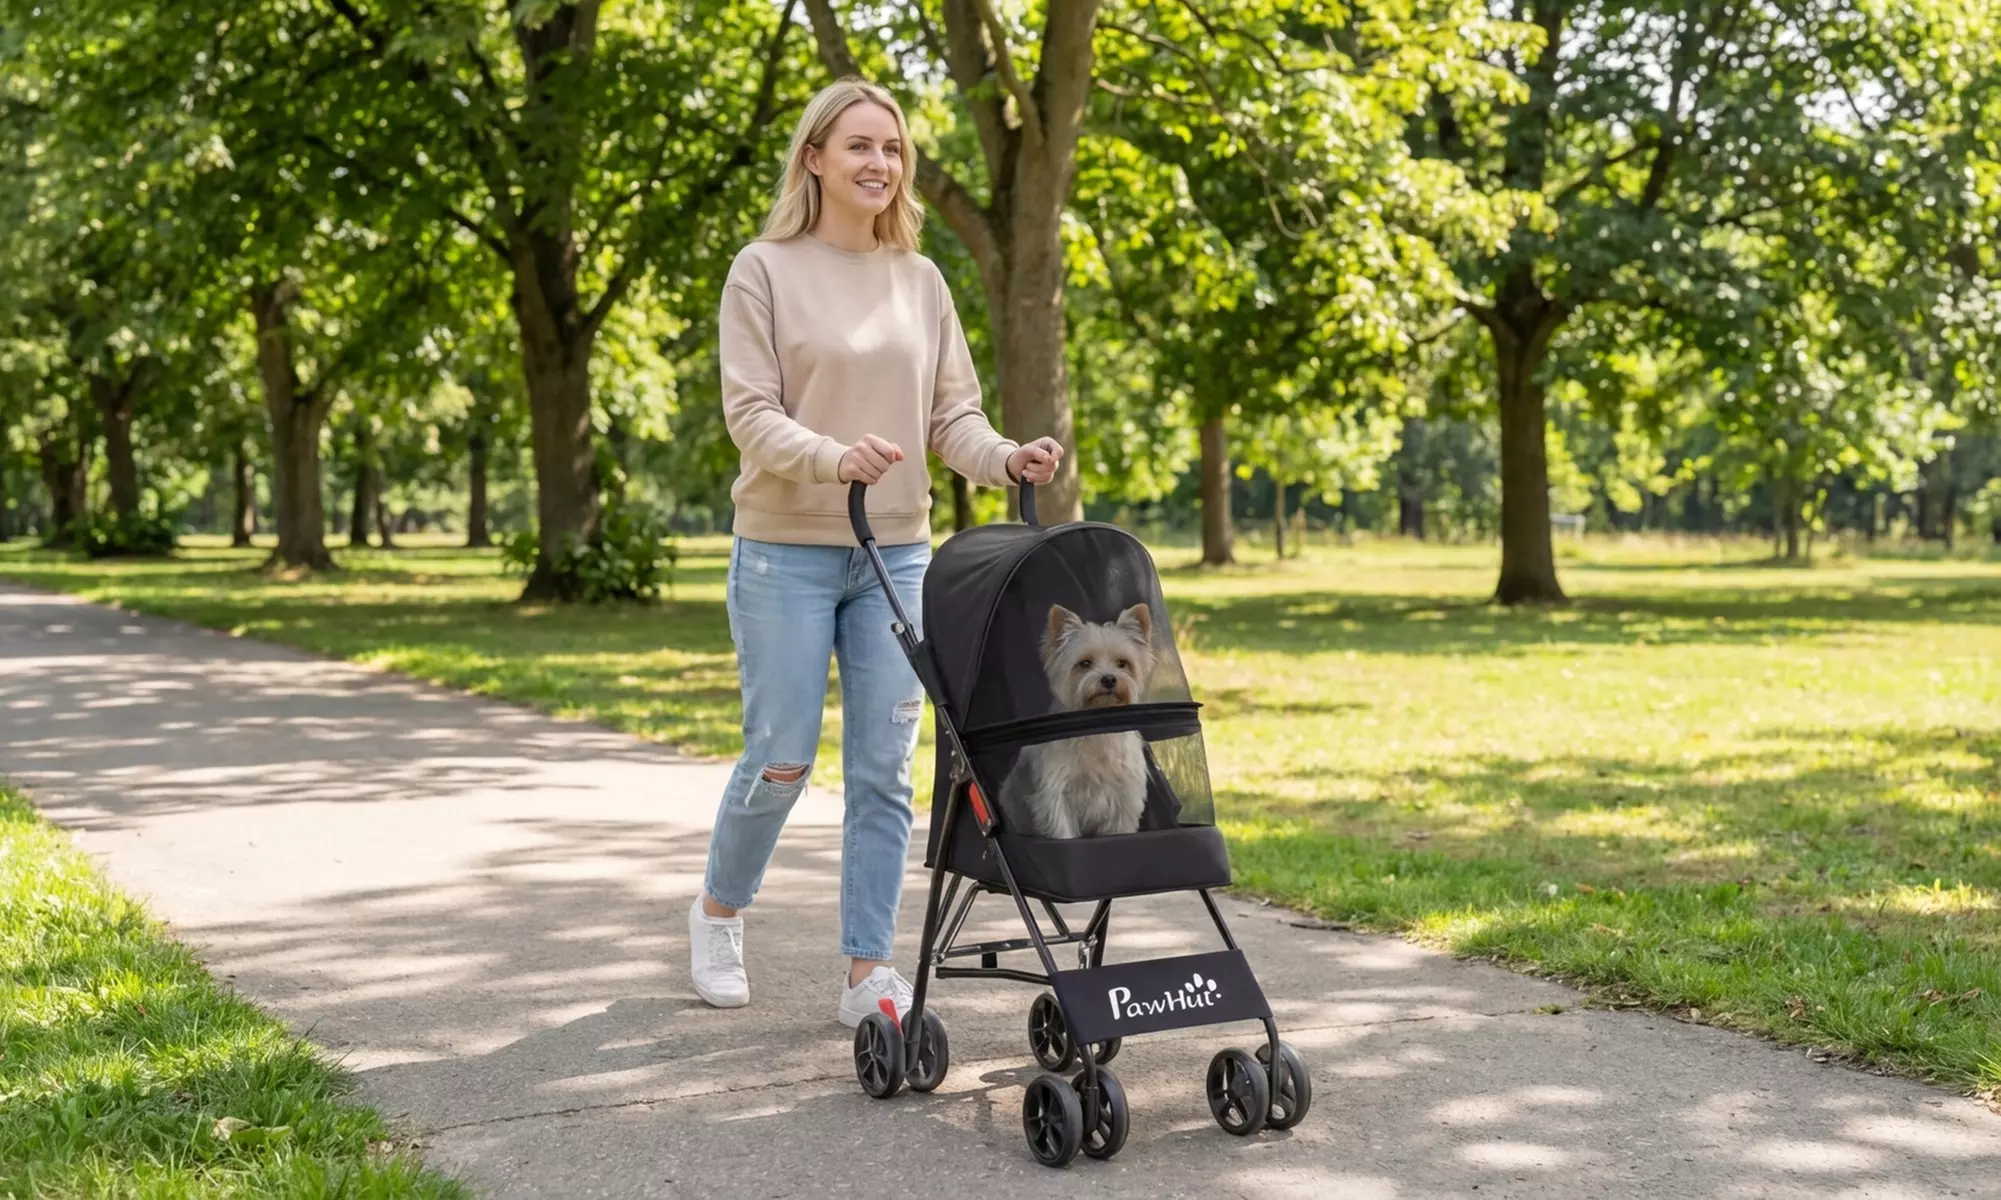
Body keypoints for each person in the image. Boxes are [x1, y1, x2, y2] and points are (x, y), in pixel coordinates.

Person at [689, 77, 1062, 1028]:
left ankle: (867, 972)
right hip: (784, 550)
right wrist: (831, 457)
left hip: (896, 554)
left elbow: (952, 418)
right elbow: (751, 416)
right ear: (813, 157)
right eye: (859, 145)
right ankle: (719, 910)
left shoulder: (920, 280)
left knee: (885, 770)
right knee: (779, 757)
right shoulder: (761, 269)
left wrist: (1005, 455)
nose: (878, 164)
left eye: (891, 149)